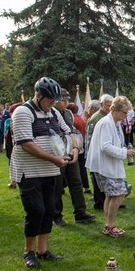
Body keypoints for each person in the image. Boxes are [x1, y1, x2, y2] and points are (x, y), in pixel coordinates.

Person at [9, 77, 73, 269]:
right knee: (35, 210)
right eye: (49, 100)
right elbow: (27, 145)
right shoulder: (23, 112)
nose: (52, 104)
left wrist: (73, 151)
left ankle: (42, 250)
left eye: (55, 101)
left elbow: (68, 132)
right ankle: (28, 250)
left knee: (49, 210)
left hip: (50, 171)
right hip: (29, 172)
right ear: (38, 95)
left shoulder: (53, 112)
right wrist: (54, 159)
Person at [86, 96, 135, 238]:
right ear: (116, 110)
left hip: (109, 165)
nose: (126, 116)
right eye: (125, 112)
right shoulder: (106, 123)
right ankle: (110, 225)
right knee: (118, 195)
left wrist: (123, 149)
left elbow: (116, 142)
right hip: (105, 165)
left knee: (112, 195)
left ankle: (108, 225)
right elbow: (105, 146)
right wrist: (124, 152)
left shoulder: (115, 122)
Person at [52, 89, 94, 226]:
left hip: (70, 151)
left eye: (67, 99)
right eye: (62, 99)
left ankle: (80, 213)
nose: (65, 102)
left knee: (76, 183)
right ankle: (56, 216)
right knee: (57, 186)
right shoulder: (51, 113)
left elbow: (72, 130)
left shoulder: (69, 113)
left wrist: (76, 146)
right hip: (57, 152)